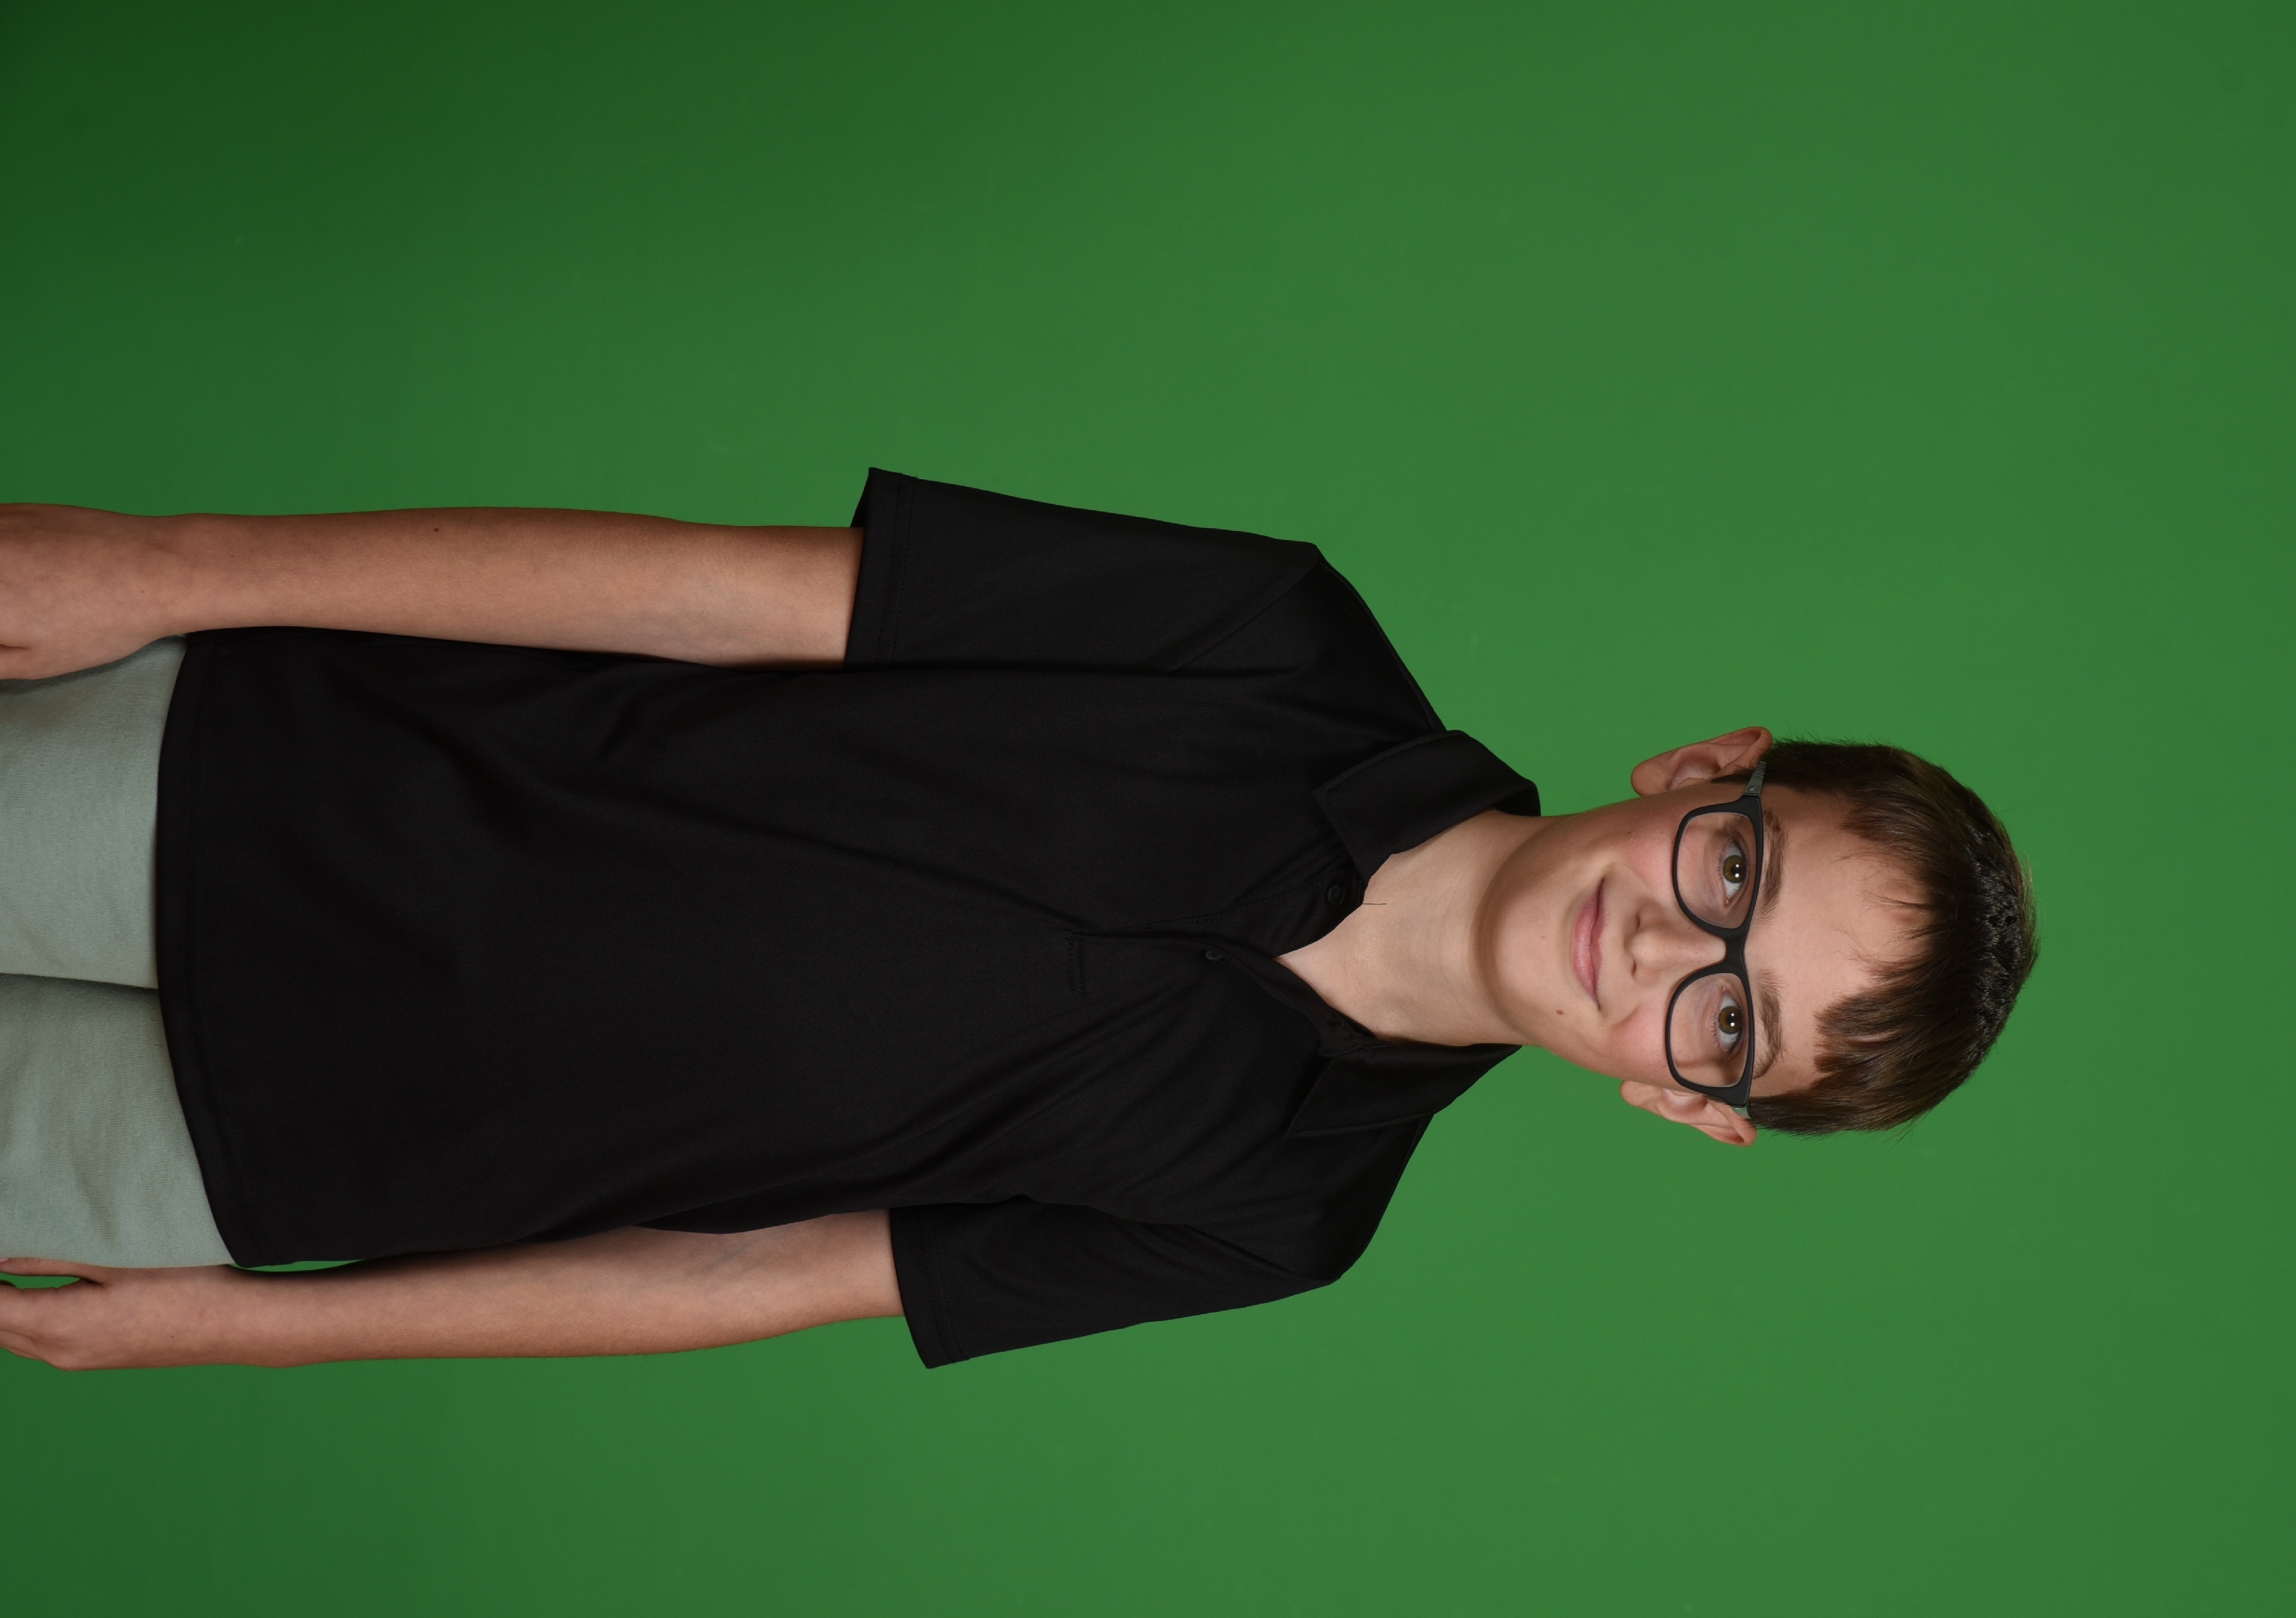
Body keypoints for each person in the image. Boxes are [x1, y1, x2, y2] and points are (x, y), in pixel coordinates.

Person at [0, 472, 2035, 1373]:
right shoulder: (1267, 640)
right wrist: (176, 565)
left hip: (268, 1154)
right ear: (1704, 771)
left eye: (1730, 1021)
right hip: (260, 780)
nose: (1665, 958)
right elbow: (702, 594)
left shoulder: (1277, 1215)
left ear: (1694, 1105)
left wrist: (250, 1325)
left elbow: (756, 1276)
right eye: (1735, 883)